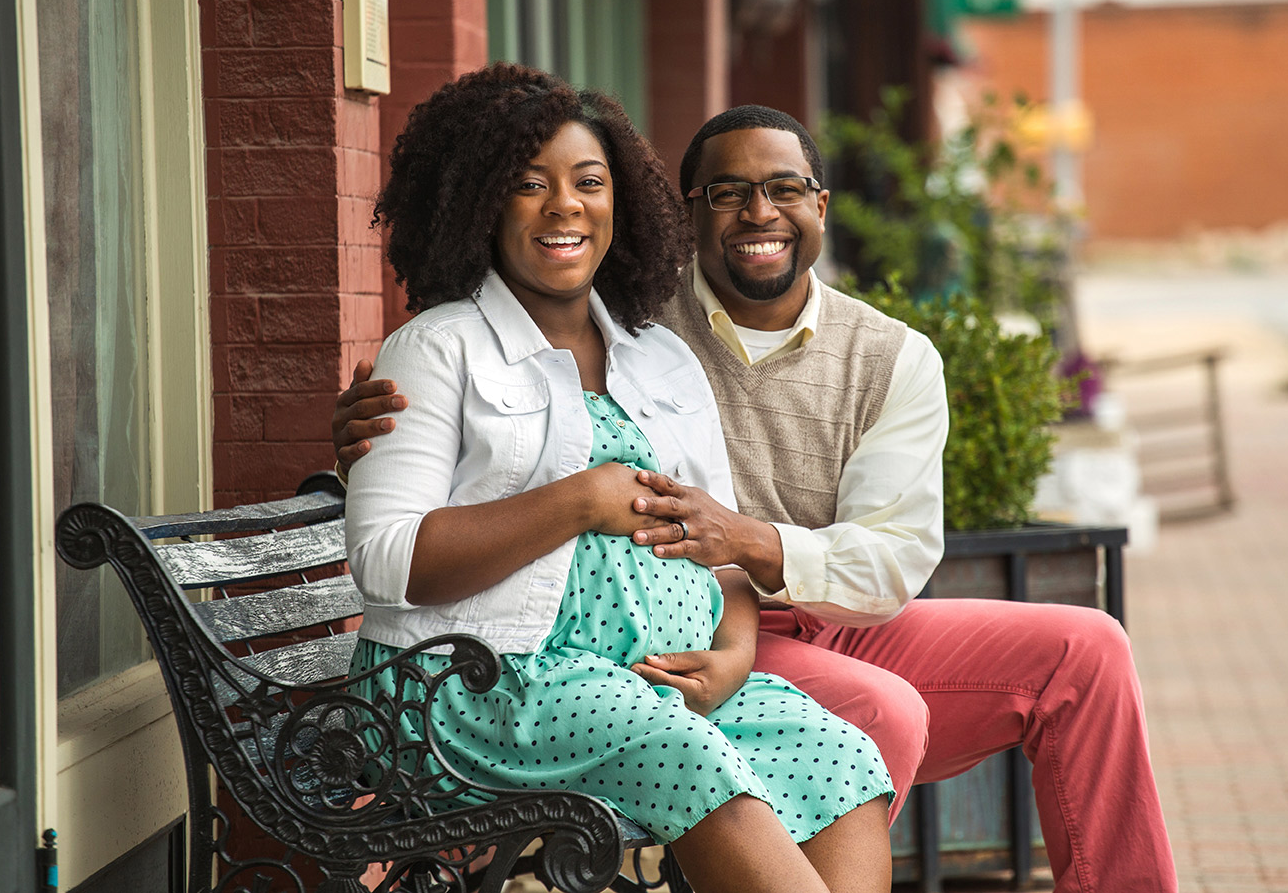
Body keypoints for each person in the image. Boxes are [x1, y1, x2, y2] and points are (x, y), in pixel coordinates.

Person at [337, 102, 1177, 893]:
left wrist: (746, 557)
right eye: (728, 194)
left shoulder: (868, 355)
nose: (758, 214)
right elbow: (436, 499)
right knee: (876, 715)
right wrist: (360, 448)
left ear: (821, 204)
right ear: (686, 214)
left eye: (783, 190)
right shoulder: (637, 318)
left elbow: (892, 559)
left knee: (1084, 649)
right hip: (572, 657)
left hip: (785, 608)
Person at [344, 66, 894, 893]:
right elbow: (386, 560)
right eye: (529, 185)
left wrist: (735, 657)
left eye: (588, 183)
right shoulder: (439, 347)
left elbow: (723, 550)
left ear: (620, 205)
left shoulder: (658, 358)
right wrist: (578, 501)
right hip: (483, 683)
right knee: (692, 761)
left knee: (839, 756)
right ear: (481, 205)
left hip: (649, 684)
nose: (565, 205)